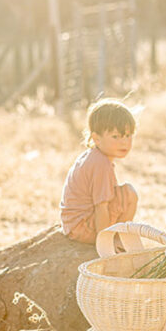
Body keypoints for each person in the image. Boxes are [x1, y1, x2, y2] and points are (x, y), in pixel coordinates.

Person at [60, 98, 138, 244]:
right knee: (129, 194)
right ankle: (115, 239)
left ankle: (116, 236)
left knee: (121, 193)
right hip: (83, 226)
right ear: (96, 138)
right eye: (116, 136)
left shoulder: (93, 156)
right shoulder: (101, 164)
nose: (124, 142)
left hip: (73, 223)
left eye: (128, 136)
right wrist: (104, 244)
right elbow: (101, 207)